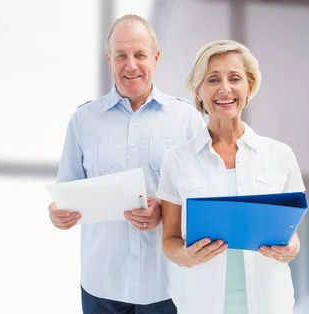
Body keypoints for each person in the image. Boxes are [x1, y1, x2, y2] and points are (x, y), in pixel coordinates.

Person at [47, 14, 205, 313]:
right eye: (121, 55)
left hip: (168, 286)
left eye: (140, 55)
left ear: (156, 58)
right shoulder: (83, 120)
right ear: (109, 60)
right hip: (101, 286)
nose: (130, 65)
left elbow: (206, 201)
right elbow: (65, 192)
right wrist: (57, 214)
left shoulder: (187, 120)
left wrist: (167, 210)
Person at [156, 39, 305, 314]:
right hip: (200, 305)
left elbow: (291, 234)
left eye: (234, 78)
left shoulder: (280, 155)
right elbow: (170, 239)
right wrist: (185, 256)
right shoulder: (177, 160)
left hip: (270, 304)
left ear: (249, 87)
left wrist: (291, 248)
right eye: (213, 80)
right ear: (198, 90)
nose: (225, 89)